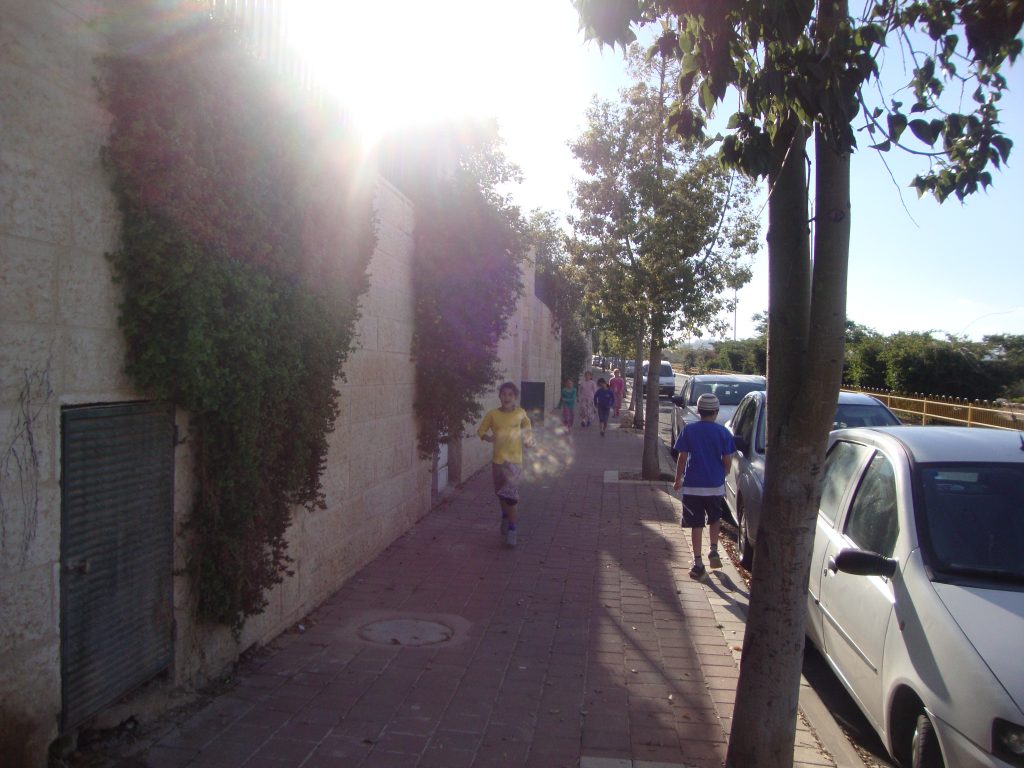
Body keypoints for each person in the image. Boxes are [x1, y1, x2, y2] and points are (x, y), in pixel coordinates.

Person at [671, 393, 735, 579]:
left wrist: (677, 480)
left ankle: (698, 562)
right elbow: (727, 459)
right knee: (715, 518)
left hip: (692, 485)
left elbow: (682, 458)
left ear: (699, 411)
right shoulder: (723, 432)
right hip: (715, 485)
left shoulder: (690, 430)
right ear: (716, 412)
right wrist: (724, 473)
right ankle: (713, 549)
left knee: (696, 524)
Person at [477, 382, 532, 547]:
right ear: (500, 396)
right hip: (498, 461)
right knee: (501, 494)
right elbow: (481, 431)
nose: (507, 397)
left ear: (515, 398)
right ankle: (505, 516)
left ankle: (513, 530)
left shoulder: (520, 413)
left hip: (514, 461)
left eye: (510, 395)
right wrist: (488, 438)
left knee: (511, 498)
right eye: (504, 394)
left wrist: (528, 438)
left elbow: (527, 424)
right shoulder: (492, 414)